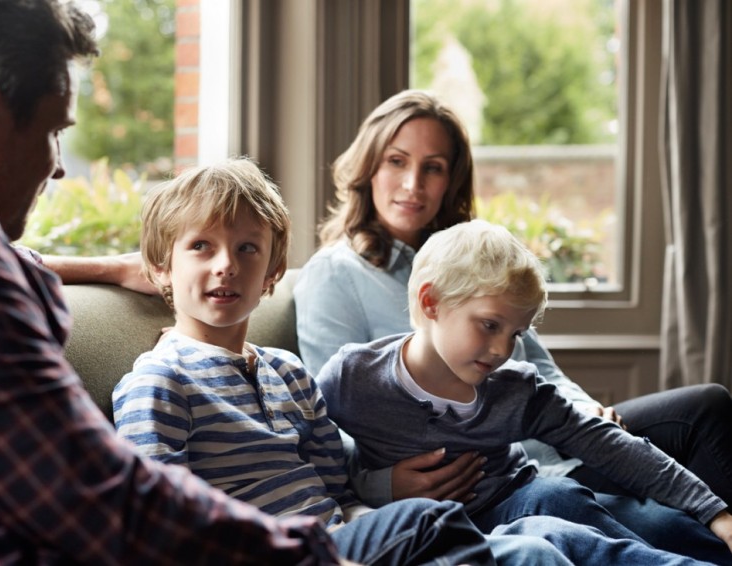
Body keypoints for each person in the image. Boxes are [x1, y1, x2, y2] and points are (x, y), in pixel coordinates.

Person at [0, 2, 356, 562]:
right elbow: (108, 504)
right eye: (55, 129)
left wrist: (109, 266)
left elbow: (13, 263)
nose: (58, 166)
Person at [111, 156, 724, 566]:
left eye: (248, 249)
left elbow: (337, 481)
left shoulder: (287, 372)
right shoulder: (158, 381)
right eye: (201, 248)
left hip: (353, 533)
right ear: (162, 268)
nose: (226, 265)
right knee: (448, 521)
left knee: (549, 536)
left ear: (273, 273)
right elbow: (151, 524)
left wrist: (371, 505)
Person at [292, 88, 732, 562]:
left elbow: (538, 366)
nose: (413, 183)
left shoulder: (480, 263)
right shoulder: (337, 278)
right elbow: (328, 424)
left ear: (451, 180)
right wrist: (384, 485)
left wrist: (582, 408)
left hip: (542, 444)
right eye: (397, 161)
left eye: (433, 167)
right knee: (590, 518)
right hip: (484, 482)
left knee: (703, 408)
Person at [316, 219, 732, 563]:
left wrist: (715, 511)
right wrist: (379, 485)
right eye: (489, 325)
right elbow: (314, 455)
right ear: (431, 303)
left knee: (589, 506)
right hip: (435, 530)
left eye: (516, 333)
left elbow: (613, 446)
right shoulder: (352, 377)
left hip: (520, 497)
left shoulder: (514, 388)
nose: (502, 350)